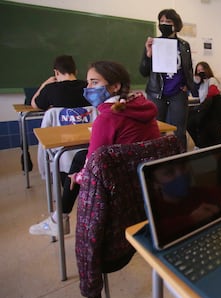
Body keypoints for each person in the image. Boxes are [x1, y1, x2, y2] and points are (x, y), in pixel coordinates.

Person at [29, 60, 161, 236]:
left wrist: (77, 177)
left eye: (94, 82)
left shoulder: (107, 118)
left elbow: (93, 165)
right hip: (145, 178)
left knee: (76, 170)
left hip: (119, 183)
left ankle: (59, 219)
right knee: (79, 157)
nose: (88, 87)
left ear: (115, 86)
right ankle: (59, 218)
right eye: (88, 81)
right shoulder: (143, 107)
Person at [139, 8, 196, 152]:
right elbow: (143, 71)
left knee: (179, 130)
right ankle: (157, 158)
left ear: (176, 24)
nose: (164, 24)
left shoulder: (184, 45)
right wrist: (148, 55)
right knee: (156, 129)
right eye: (161, 21)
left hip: (178, 93)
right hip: (156, 92)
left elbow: (188, 68)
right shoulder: (153, 43)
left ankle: (181, 159)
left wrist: (187, 86)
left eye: (168, 21)